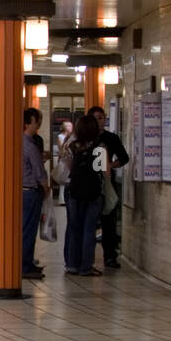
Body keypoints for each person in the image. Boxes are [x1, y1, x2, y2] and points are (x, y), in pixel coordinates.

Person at [88, 105, 130, 269]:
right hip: (90, 184)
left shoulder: (111, 138)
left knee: (109, 221)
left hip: (107, 183)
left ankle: (110, 256)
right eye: (97, 118)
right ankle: (87, 258)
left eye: (103, 117)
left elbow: (124, 157)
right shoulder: (85, 138)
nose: (101, 121)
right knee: (90, 222)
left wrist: (110, 165)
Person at [64, 114, 106, 276]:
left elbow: (67, 168)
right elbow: (101, 170)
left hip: (74, 190)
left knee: (74, 228)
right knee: (89, 230)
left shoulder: (72, 146)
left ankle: (72, 264)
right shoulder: (99, 146)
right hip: (93, 192)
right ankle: (86, 267)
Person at [22, 108, 50, 280]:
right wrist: (46, 187)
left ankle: (28, 263)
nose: (39, 123)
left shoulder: (18, 142)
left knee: (25, 229)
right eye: (37, 120)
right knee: (29, 230)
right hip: (31, 192)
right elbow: (40, 172)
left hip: (22, 191)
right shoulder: (29, 145)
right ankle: (25, 266)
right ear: (29, 122)